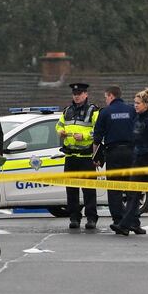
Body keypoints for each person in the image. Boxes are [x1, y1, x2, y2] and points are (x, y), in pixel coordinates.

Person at [110, 89, 148, 237]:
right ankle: (125, 226)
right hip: (138, 161)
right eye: (134, 103)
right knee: (133, 194)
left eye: (138, 103)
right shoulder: (136, 119)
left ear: (146, 104)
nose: (135, 105)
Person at [92, 85, 143, 233]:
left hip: (113, 153)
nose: (105, 100)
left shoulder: (105, 112)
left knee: (115, 190)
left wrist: (95, 157)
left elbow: (97, 138)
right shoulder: (131, 110)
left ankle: (119, 221)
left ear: (110, 96)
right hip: (131, 153)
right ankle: (134, 221)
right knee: (132, 188)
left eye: (106, 97)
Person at [56, 83, 100, 229]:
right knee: (71, 190)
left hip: (86, 157)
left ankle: (91, 218)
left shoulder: (93, 111)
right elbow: (58, 125)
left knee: (89, 190)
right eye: (75, 94)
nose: (76, 96)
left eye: (79, 93)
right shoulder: (67, 111)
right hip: (71, 156)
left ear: (86, 95)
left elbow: (98, 131)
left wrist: (85, 135)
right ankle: (74, 218)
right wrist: (60, 131)